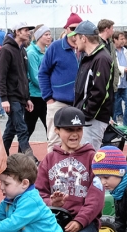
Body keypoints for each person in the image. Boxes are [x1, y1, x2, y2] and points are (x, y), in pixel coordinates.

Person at [35, 106, 105, 232]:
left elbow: (96, 197)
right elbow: (38, 193)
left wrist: (80, 221)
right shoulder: (49, 160)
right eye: (69, 129)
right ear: (57, 130)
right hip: (56, 221)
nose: (75, 134)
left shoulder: (92, 158)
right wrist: (52, 202)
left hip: (86, 222)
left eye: (78, 129)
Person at [38, 14, 80, 150]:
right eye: (73, 28)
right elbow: (43, 72)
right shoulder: (55, 47)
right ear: (66, 29)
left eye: (79, 28)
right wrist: (48, 98)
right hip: (58, 102)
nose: (76, 31)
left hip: (79, 103)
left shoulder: (85, 48)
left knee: (77, 142)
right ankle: (52, 170)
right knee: (55, 141)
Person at [72, 20, 113, 150]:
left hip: (92, 119)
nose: (75, 41)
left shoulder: (101, 58)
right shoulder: (89, 57)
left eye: (76, 37)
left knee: (88, 158)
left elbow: (99, 91)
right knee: (82, 155)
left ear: (84, 38)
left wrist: (86, 114)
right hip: (86, 117)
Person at [0, 21, 35, 156]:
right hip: (11, 98)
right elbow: (1, 76)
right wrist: (4, 99)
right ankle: (29, 159)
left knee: (10, 130)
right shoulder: (6, 50)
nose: (29, 33)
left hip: (20, 98)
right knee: (22, 129)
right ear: (17, 32)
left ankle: (0, 157)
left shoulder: (22, 51)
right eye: (25, 30)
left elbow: (24, 77)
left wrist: (27, 98)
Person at [25, 25, 52, 140]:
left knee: (51, 128)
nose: (49, 37)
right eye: (46, 35)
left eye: (50, 34)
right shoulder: (31, 53)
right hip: (35, 96)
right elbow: (35, 77)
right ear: (38, 37)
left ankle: (53, 154)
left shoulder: (47, 51)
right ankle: (21, 154)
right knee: (29, 128)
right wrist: (50, 87)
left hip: (45, 96)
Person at [113, 31, 127, 126]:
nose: (123, 41)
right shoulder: (111, 51)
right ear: (115, 40)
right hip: (116, 83)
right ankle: (113, 125)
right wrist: (123, 69)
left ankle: (126, 125)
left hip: (126, 83)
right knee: (114, 106)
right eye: (121, 39)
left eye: (124, 39)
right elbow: (114, 65)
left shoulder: (125, 51)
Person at [97, 19, 119, 92]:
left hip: (111, 84)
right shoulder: (96, 42)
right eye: (112, 28)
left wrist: (115, 81)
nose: (113, 31)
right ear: (107, 29)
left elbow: (115, 62)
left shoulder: (111, 43)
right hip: (101, 83)